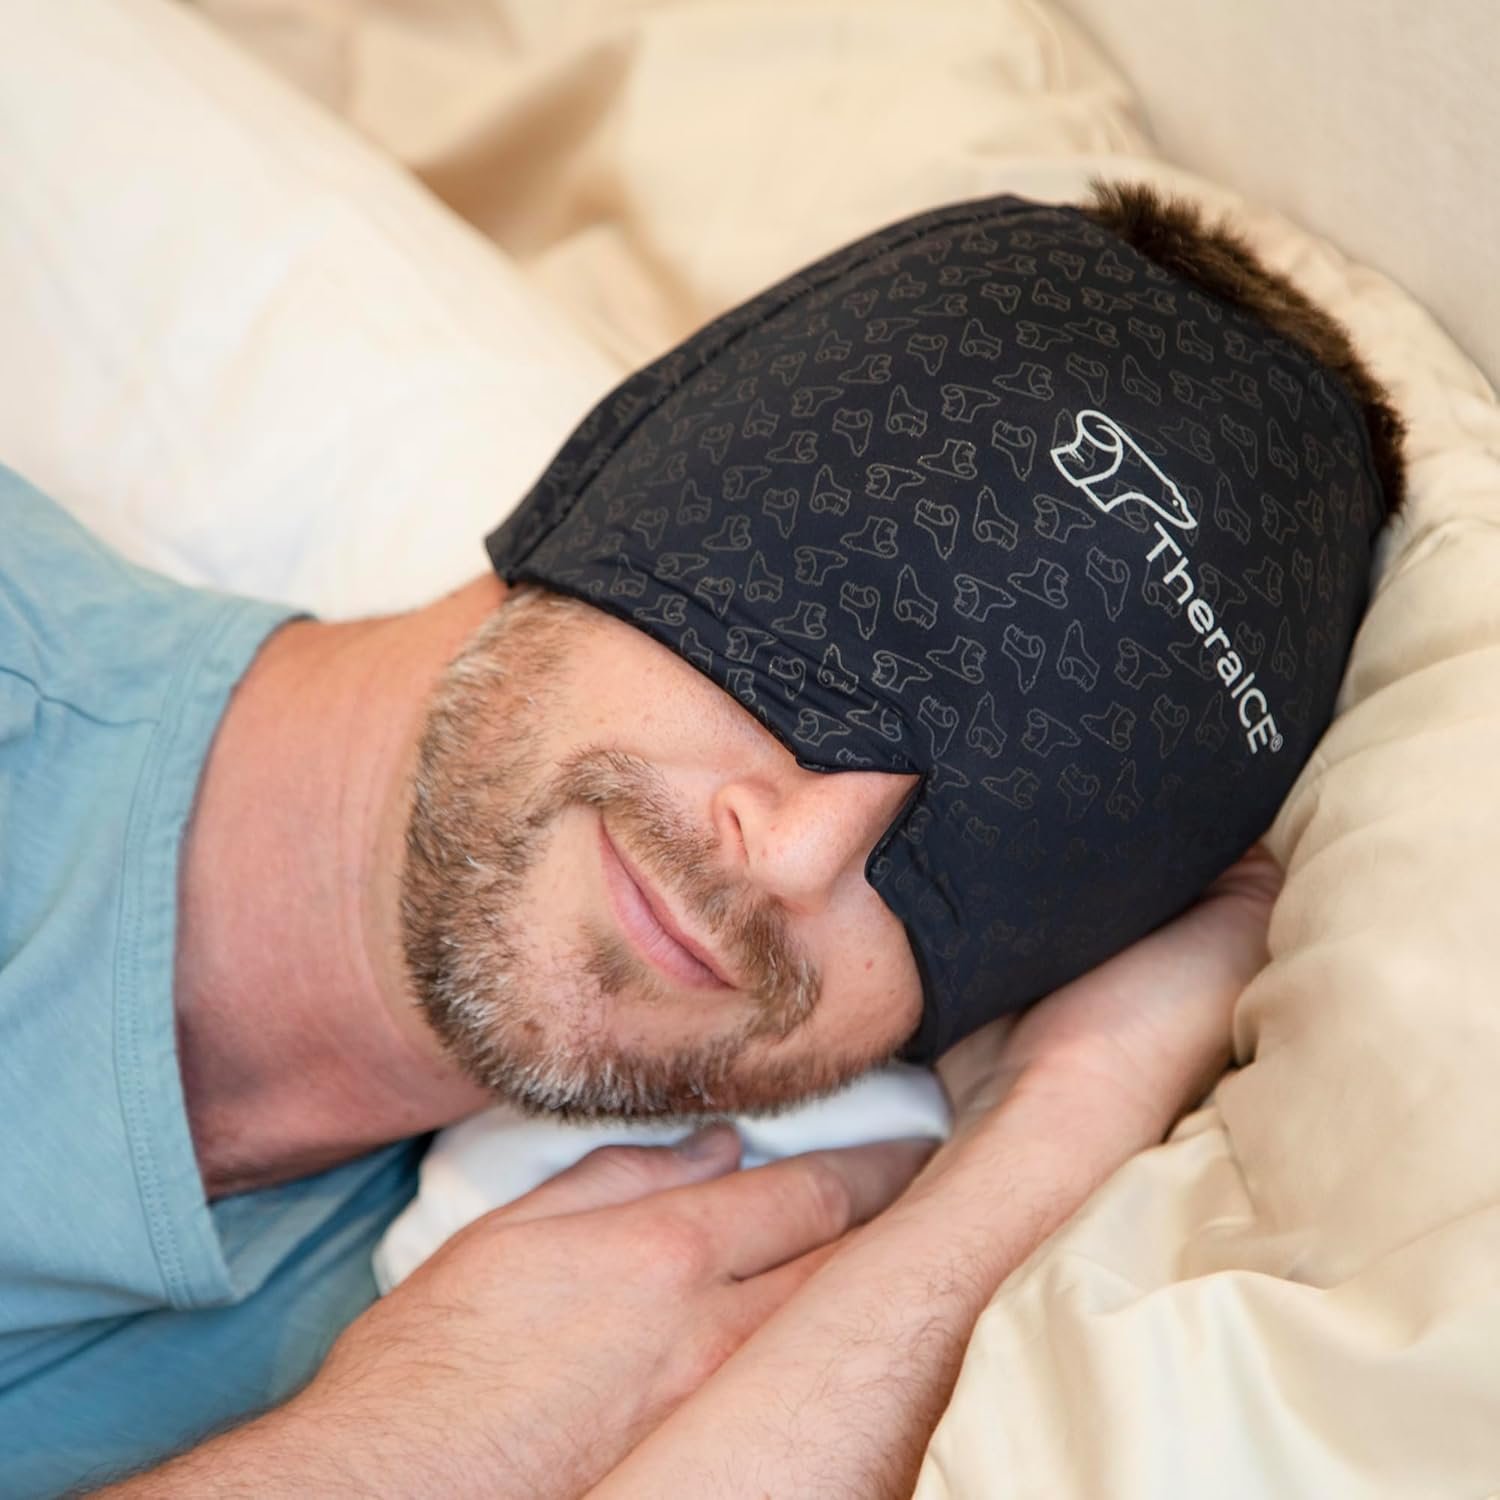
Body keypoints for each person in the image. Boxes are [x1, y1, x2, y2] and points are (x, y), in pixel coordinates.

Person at [0, 183, 1403, 1497]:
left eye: (997, 856)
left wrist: (1067, 1115)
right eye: (850, 632)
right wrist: (411, 1448)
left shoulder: (573, 1316)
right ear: (624, 465)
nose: (795, 861)